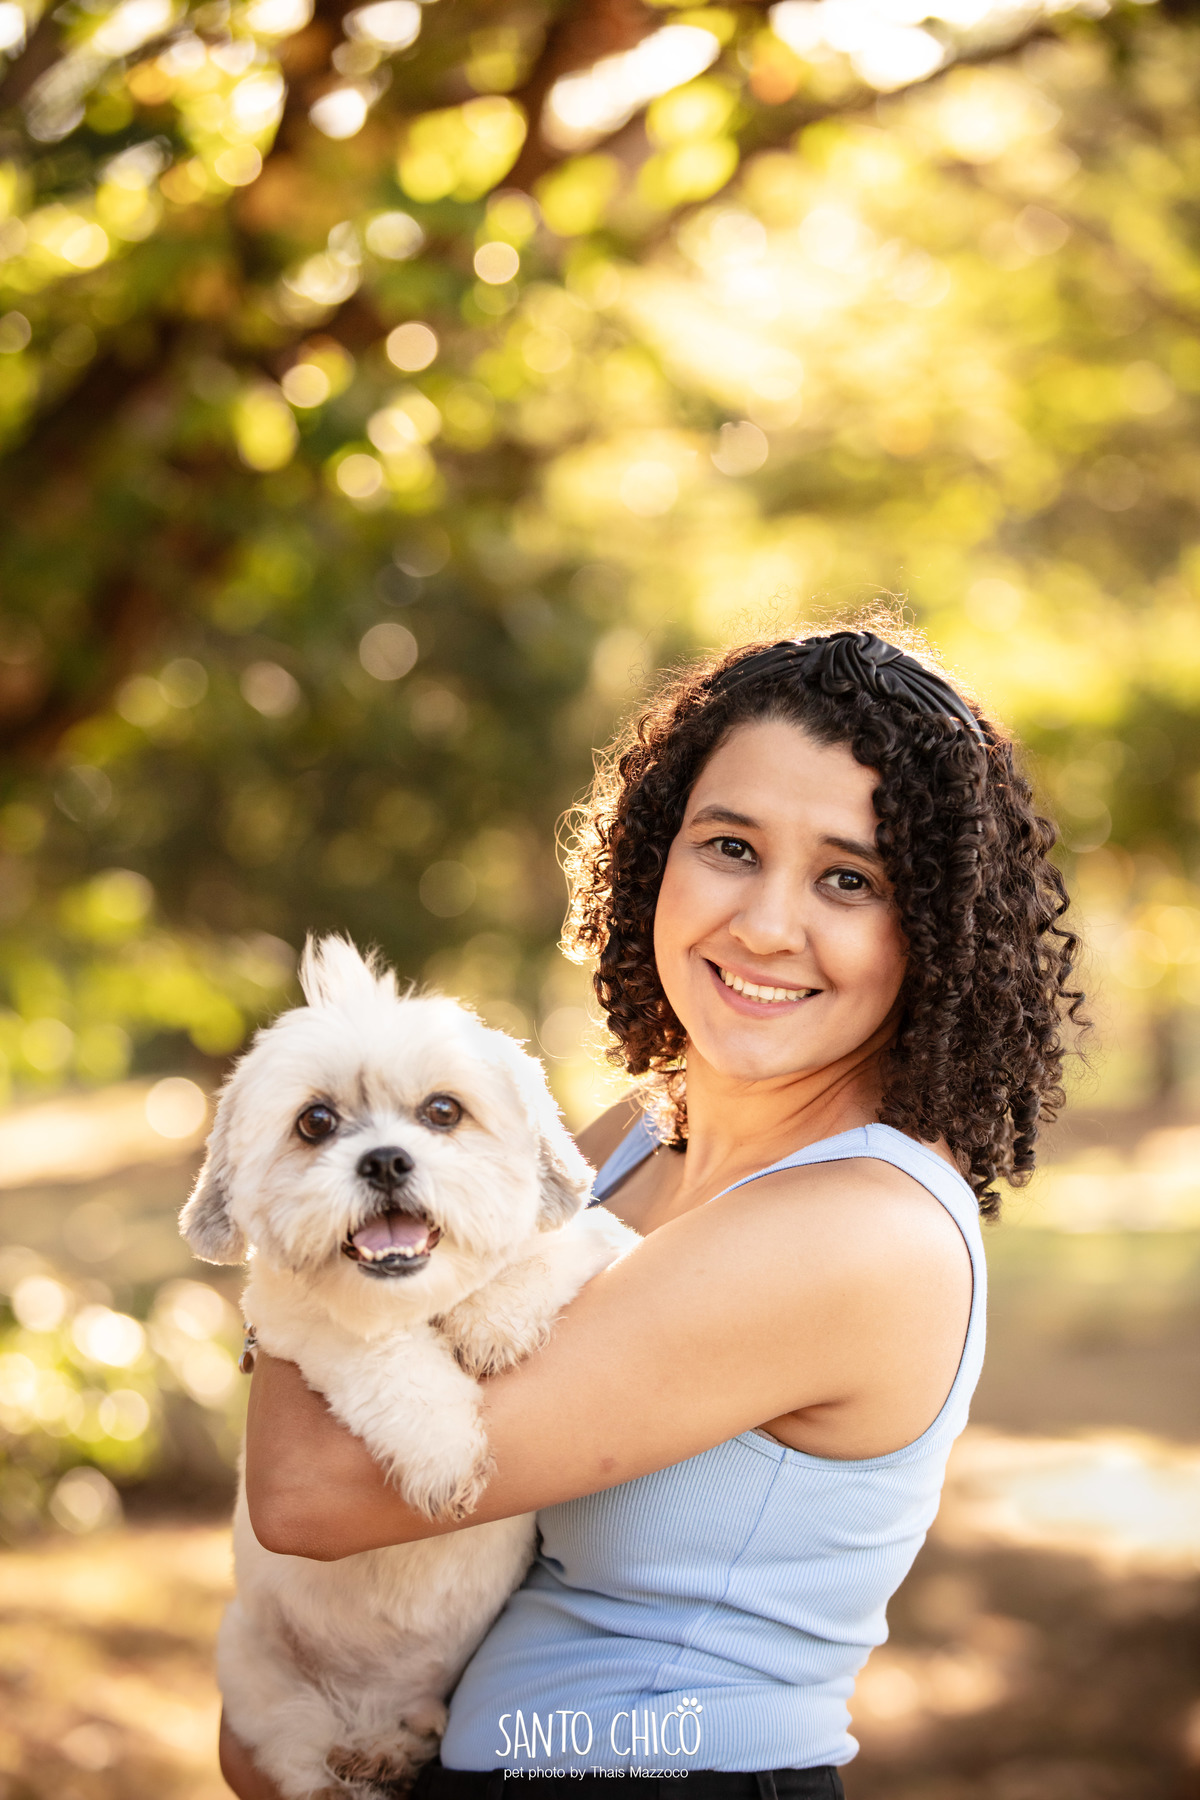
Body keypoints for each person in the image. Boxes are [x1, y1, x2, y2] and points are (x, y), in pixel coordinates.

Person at [219, 627, 1081, 1800]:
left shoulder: (856, 1229)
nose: (768, 925)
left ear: (932, 929)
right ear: (653, 861)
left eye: (849, 877)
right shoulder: (631, 1136)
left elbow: (310, 1494)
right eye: (731, 847)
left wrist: (292, 1234)